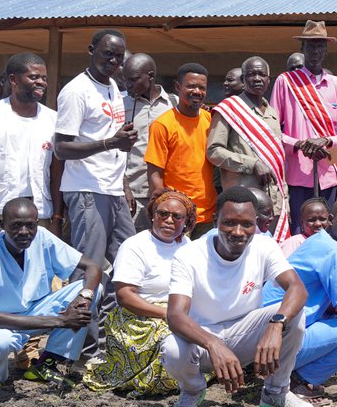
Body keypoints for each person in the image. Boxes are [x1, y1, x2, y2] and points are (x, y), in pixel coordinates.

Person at [160, 186, 317, 407]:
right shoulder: (189, 254)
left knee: (293, 315)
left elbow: (297, 288)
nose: (238, 232)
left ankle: (276, 393)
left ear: (256, 223)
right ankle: (191, 392)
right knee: (172, 349)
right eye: (229, 223)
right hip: (203, 339)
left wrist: (275, 326)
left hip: (245, 332)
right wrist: (213, 343)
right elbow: (176, 315)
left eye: (246, 224)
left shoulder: (264, 246)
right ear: (215, 221)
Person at [0, 197, 103, 390]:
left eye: (30, 226)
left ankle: (47, 363)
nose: (24, 232)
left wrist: (84, 297)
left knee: (91, 289)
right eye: (16, 226)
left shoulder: (41, 236)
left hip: (30, 313)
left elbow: (92, 267)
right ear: (2, 225)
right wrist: (61, 321)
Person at [261, 197, 337, 400]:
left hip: (268, 337)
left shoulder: (319, 242)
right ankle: (301, 378)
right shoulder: (331, 249)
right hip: (279, 341)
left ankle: (293, 372)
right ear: (332, 220)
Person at [82, 189, 197, 395]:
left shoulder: (188, 246)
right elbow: (125, 296)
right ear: (153, 214)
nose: (169, 220)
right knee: (175, 335)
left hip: (178, 311)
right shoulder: (135, 246)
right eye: (163, 214)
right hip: (139, 317)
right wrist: (166, 314)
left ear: (186, 222)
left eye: (177, 216)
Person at [0, 53, 63, 254]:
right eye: (34, 77)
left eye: (44, 78)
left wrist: (57, 219)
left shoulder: (54, 120)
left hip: (38, 220)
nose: (41, 82)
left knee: (39, 281)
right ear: (13, 80)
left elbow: (57, 173)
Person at [55, 28, 139, 266]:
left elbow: (112, 141)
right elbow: (61, 148)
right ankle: (82, 303)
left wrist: (124, 186)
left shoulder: (113, 86)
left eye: (119, 57)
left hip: (113, 189)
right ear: (91, 51)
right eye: (108, 54)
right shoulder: (76, 91)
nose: (113, 61)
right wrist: (110, 143)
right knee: (89, 263)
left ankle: (114, 305)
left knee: (128, 261)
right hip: (87, 188)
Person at [269, 20, 337, 232]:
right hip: (298, 173)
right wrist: (299, 144)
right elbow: (271, 130)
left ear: (326, 49)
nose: (315, 50)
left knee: (330, 231)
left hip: (331, 172)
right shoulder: (286, 82)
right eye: (310, 45)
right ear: (302, 48)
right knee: (300, 231)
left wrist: (327, 141)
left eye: (319, 45)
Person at [207, 56, 289, 239]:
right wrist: (251, 163)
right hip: (242, 200)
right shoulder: (229, 110)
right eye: (252, 74)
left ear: (269, 79)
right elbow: (214, 151)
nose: (257, 78)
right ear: (243, 80)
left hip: (273, 202)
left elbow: (278, 161)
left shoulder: (272, 113)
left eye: (262, 74)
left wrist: (286, 203)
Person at [145, 63, 217, 236]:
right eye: (191, 86)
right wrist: (162, 206)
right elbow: (155, 172)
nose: (197, 91)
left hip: (208, 214)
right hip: (177, 215)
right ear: (178, 87)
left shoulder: (211, 120)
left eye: (202, 87)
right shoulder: (163, 124)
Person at [121, 53, 177, 231]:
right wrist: (124, 187)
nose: (127, 85)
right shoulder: (120, 105)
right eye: (125, 80)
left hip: (165, 194)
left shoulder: (174, 104)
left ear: (151, 76)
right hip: (132, 194)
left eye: (133, 80)